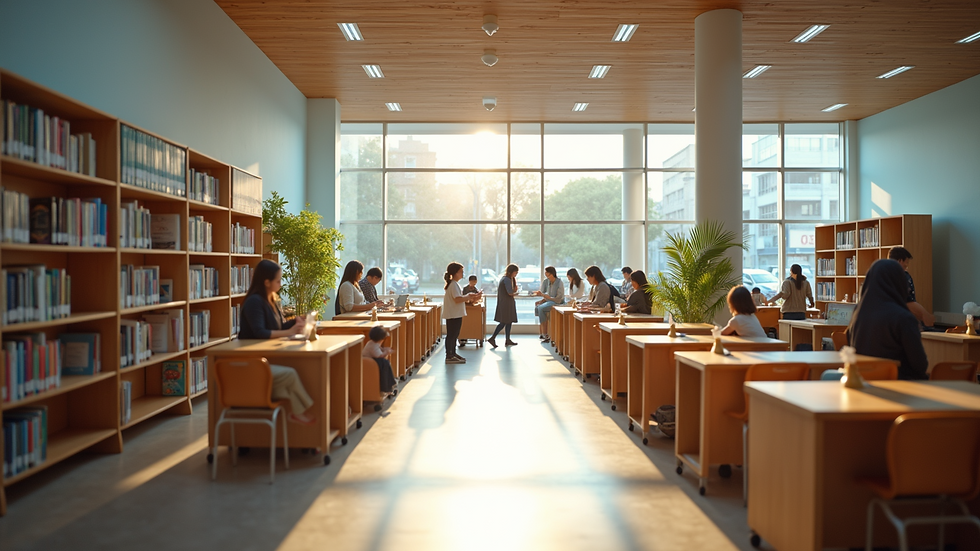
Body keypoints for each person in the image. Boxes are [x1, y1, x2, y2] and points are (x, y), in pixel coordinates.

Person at [238, 259, 316, 425]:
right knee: (291, 374)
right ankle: (309, 409)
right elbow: (260, 332)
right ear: (266, 282)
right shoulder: (254, 302)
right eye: (278, 281)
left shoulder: (271, 300)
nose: (280, 284)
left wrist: (295, 321)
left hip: (266, 356)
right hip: (253, 361)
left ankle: (300, 414)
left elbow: (278, 327)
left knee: (287, 387)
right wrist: (289, 332)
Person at [847, 259, 928, 380]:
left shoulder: (858, 313)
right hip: (900, 388)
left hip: (863, 384)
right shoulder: (903, 317)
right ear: (899, 283)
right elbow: (920, 365)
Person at [442, 262, 482, 362]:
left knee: (455, 334)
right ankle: (449, 355)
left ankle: (453, 353)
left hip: (455, 313)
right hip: (453, 314)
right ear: (455, 273)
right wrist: (469, 296)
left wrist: (471, 297)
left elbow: (460, 298)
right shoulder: (453, 285)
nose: (462, 274)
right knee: (452, 334)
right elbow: (457, 299)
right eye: (460, 272)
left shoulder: (454, 284)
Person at [888, 246, 935, 327]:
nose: (907, 266)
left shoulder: (880, 276)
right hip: (901, 323)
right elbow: (908, 302)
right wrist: (926, 317)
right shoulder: (902, 276)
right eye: (906, 263)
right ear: (900, 261)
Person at [488, 263, 519, 348]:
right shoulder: (507, 280)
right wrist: (516, 293)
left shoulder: (505, 279)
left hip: (505, 303)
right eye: (515, 272)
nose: (516, 274)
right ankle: (493, 337)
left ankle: (507, 339)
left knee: (508, 322)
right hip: (506, 304)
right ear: (511, 272)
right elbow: (510, 292)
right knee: (504, 322)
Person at [533, 266, 565, 340]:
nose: (545, 273)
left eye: (547, 272)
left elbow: (559, 297)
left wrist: (545, 297)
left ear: (551, 273)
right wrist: (543, 298)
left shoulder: (559, 282)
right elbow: (543, 292)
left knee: (541, 308)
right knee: (537, 306)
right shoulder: (546, 281)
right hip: (548, 300)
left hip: (556, 301)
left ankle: (545, 333)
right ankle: (542, 331)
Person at [363, 325, 397, 393]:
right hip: (369, 363)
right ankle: (387, 386)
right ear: (381, 339)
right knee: (385, 363)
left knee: (385, 362)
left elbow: (380, 349)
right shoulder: (373, 345)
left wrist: (385, 349)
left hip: (371, 361)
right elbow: (379, 355)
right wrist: (386, 352)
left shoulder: (372, 343)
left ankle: (390, 383)